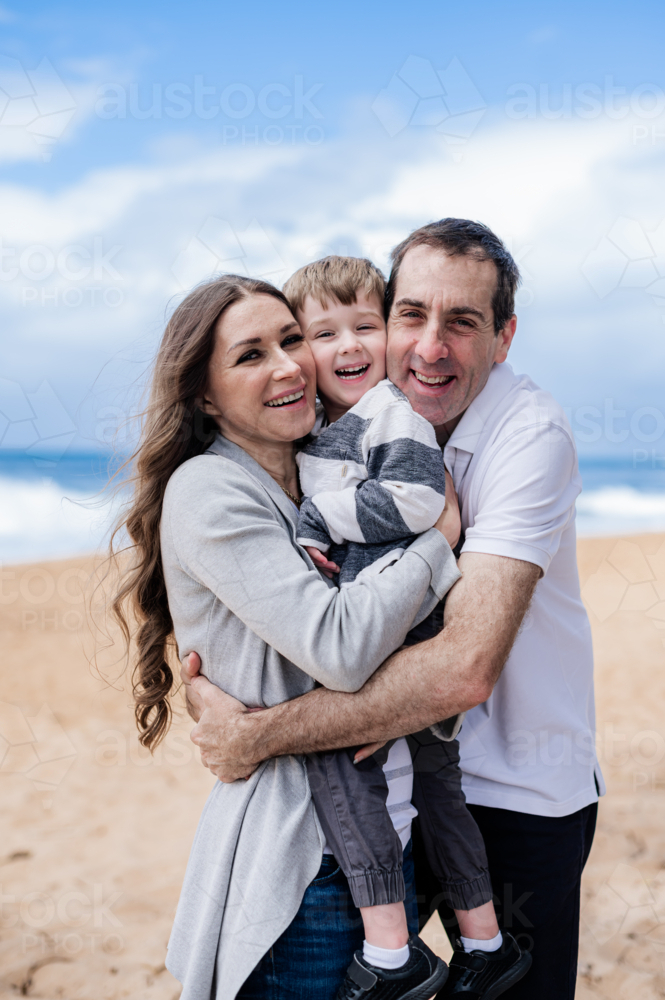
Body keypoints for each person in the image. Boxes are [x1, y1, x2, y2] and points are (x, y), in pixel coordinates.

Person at [182, 219, 603, 1000]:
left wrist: (254, 736)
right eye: (410, 315)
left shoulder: (526, 435)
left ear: (504, 337)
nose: (429, 347)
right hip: (408, 787)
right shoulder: (344, 431)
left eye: (463, 323)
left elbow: (463, 670)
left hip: (515, 790)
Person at [110, 273, 462, 999]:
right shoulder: (212, 489)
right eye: (249, 355)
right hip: (308, 866)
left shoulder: (315, 481)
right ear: (204, 395)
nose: (289, 365)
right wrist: (439, 541)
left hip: (378, 839)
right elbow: (339, 647)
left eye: (291, 339)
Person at [281, 255, 530, 1000]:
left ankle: (392, 955)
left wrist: (318, 517)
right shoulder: (342, 423)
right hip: (401, 617)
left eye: (365, 324)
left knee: (338, 763)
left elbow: (420, 502)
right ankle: (482, 940)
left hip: (407, 626)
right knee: (435, 784)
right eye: (324, 333)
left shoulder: (388, 412)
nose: (349, 345)